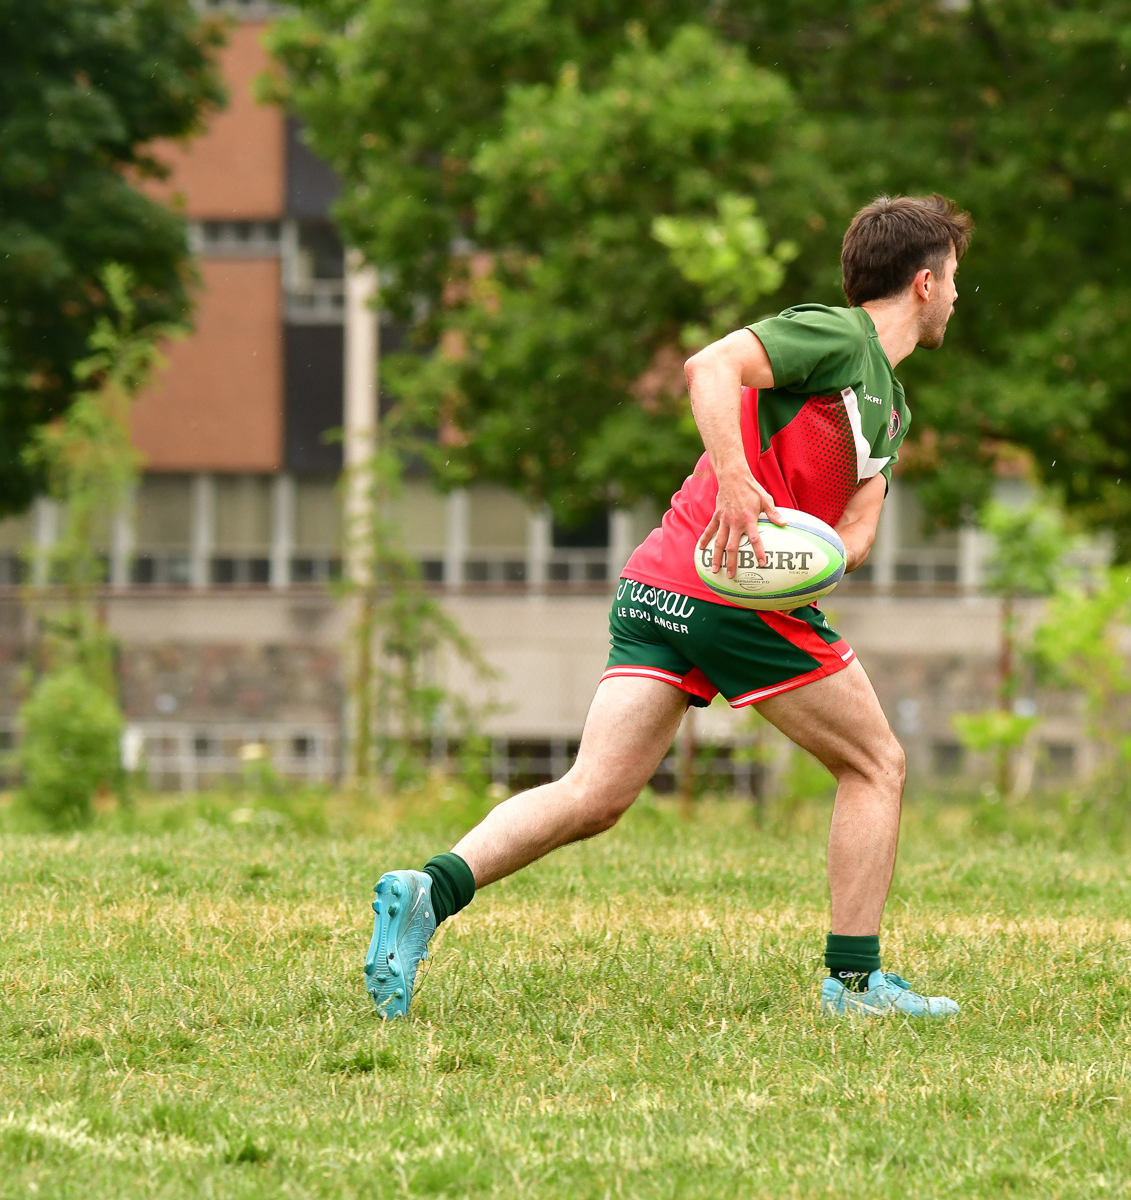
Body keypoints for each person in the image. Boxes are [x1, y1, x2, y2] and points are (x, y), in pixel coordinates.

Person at [365, 193, 972, 1019]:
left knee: (595, 795)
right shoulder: (837, 336)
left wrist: (819, 555)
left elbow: (858, 529)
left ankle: (426, 892)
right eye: (957, 279)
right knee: (876, 765)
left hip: (661, 583)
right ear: (927, 284)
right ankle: (856, 985)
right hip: (725, 589)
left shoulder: (893, 410)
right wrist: (735, 481)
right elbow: (709, 367)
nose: (959, 298)